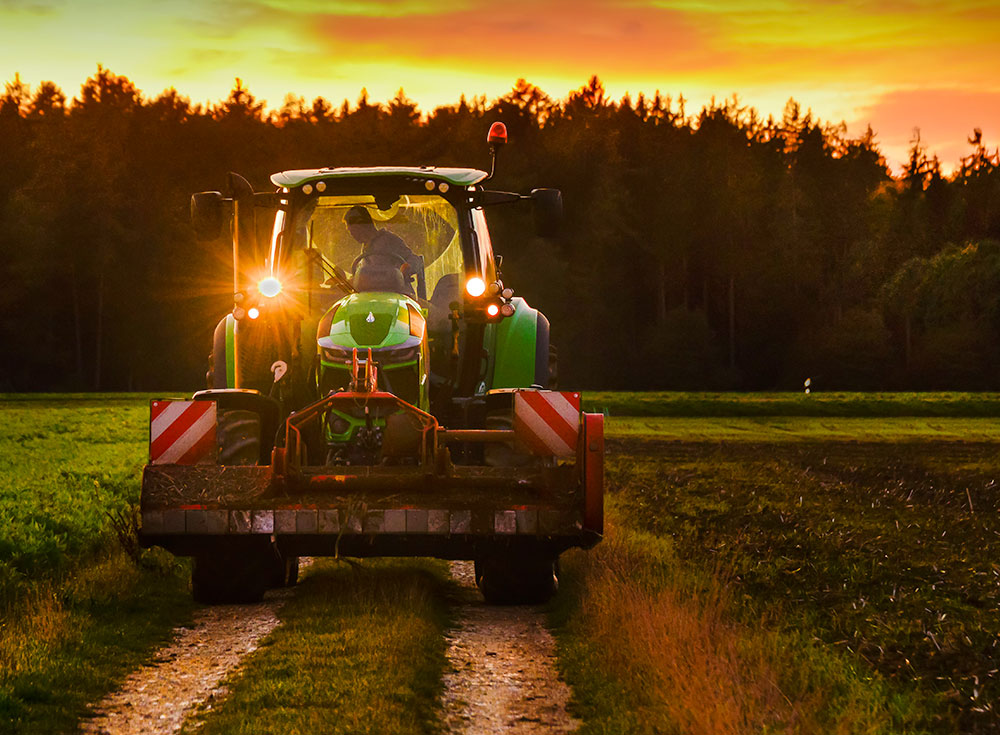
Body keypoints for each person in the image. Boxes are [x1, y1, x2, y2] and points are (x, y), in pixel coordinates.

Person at [344, 205, 417, 295]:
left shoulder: (390, 240)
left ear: (362, 225)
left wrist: (406, 268)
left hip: (399, 296)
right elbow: (367, 277)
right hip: (372, 298)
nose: (353, 236)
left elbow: (415, 260)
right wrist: (343, 283)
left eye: (353, 231)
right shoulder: (365, 250)